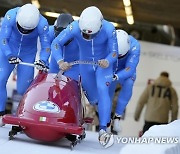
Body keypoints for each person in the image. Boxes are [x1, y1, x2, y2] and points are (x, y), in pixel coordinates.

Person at [51, 6, 118, 146]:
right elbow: (56, 43)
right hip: (85, 65)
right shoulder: (74, 27)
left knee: (102, 88)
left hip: (103, 65)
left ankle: (103, 129)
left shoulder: (109, 29)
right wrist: (60, 61)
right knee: (93, 100)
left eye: (91, 35)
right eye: (84, 34)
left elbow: (114, 52)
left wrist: (108, 61)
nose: (87, 37)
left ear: (99, 28)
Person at [0, 4, 50, 126]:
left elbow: (46, 47)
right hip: (9, 49)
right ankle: (0, 113)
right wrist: (9, 54)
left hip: (28, 53)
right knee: (0, 79)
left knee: (24, 89)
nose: (24, 31)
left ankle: (23, 115)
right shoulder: (10, 15)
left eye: (28, 30)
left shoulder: (42, 24)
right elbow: (3, 39)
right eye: (21, 28)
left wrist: (43, 60)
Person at [109, 29, 140, 134]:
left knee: (129, 83)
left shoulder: (135, 46)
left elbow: (130, 69)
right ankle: (104, 115)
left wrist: (117, 76)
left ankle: (117, 117)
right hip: (111, 64)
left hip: (125, 69)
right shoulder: (108, 39)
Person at [49, 13, 80, 81]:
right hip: (55, 64)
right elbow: (47, 47)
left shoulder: (79, 35)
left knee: (69, 84)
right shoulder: (50, 31)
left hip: (74, 66)